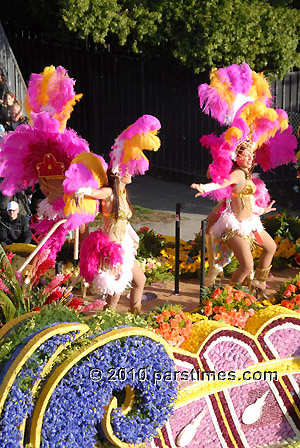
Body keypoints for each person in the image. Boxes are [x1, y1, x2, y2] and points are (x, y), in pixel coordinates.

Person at [191, 141, 277, 297]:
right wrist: (204, 188)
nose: (250, 157)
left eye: (252, 154)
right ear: (236, 158)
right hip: (234, 228)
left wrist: (263, 210)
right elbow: (222, 182)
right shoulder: (238, 174)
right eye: (245, 154)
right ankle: (231, 297)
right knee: (247, 266)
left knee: (269, 247)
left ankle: (259, 284)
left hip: (251, 226)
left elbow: (248, 203)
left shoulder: (246, 174)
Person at [75, 169, 145, 312]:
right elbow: (93, 192)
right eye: (128, 171)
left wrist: (134, 237)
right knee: (115, 292)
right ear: (119, 175)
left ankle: (135, 316)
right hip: (110, 249)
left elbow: (124, 222)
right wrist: (81, 191)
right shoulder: (109, 193)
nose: (131, 174)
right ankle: (106, 321)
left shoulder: (123, 194)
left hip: (124, 247)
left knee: (140, 280)